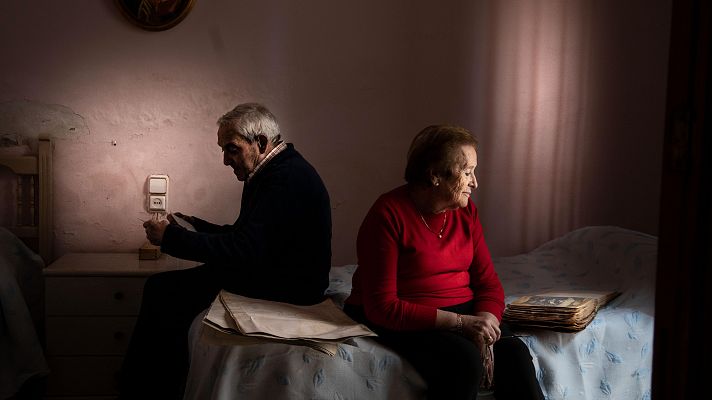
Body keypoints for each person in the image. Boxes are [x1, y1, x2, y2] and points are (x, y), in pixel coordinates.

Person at [119, 103, 332, 399]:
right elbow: (246, 236)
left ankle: (144, 392)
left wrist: (171, 239)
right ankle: (156, 388)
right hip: (273, 272)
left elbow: (243, 249)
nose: (224, 160)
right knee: (165, 288)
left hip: (290, 288)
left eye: (231, 149)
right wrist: (194, 226)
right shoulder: (271, 169)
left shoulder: (283, 179)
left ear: (259, 142)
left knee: (163, 291)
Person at [343, 125, 544, 400]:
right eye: (467, 172)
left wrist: (486, 320)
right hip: (405, 314)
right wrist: (461, 323)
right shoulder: (387, 215)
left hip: (462, 310)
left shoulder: (465, 212)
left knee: (515, 353)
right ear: (435, 175)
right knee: (464, 360)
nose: (475, 182)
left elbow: (488, 283)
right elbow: (383, 307)